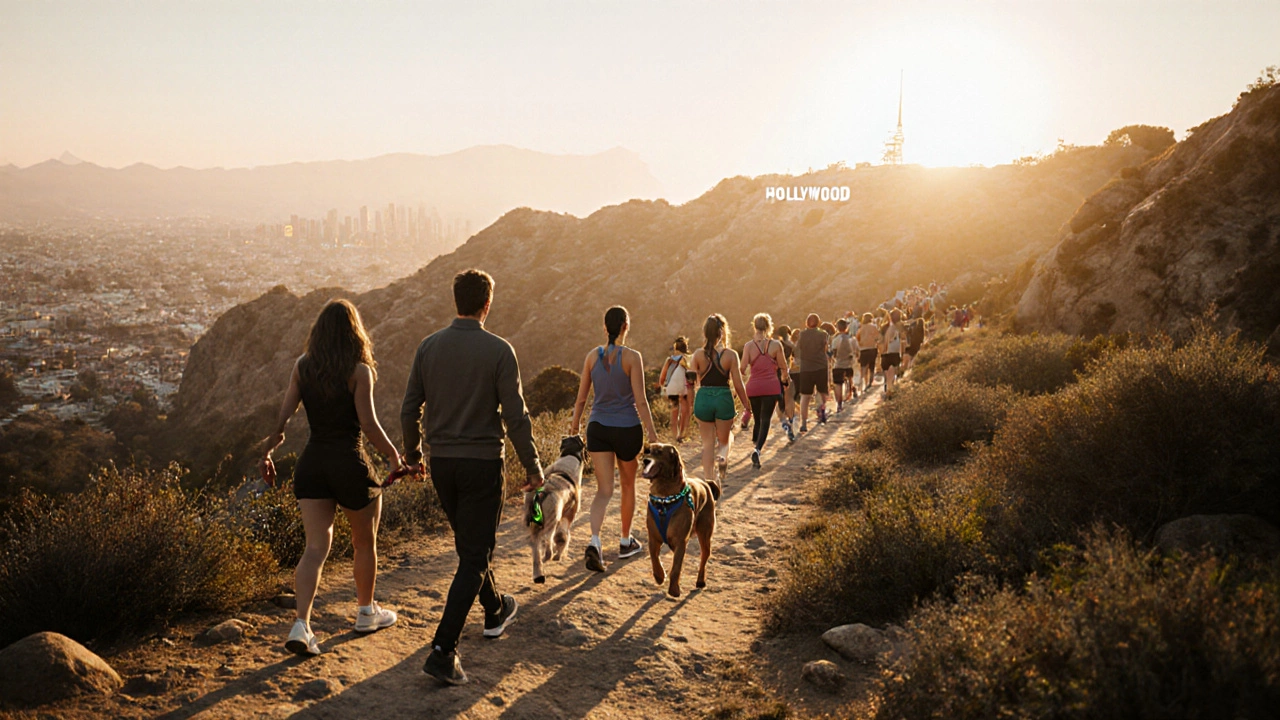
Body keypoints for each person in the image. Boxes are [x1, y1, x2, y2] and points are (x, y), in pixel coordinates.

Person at [401, 269, 543, 686]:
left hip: (442, 465)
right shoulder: (499, 350)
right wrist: (534, 467)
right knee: (476, 555)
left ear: (456, 300)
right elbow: (516, 417)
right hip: (482, 464)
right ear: (487, 304)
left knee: (471, 547)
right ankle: (443, 650)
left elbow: (409, 409)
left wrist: (413, 456)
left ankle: (496, 610)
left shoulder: (428, 347)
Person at [260, 299, 401, 658]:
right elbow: (368, 425)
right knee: (364, 543)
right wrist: (393, 456)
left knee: (314, 549)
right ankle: (366, 612)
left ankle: (301, 624)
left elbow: (283, 418)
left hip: (313, 465)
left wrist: (268, 452)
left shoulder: (302, 366)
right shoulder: (359, 371)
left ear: (319, 332)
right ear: (355, 332)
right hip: (350, 464)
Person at [570, 306, 660, 572]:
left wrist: (575, 427)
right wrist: (653, 435)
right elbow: (641, 401)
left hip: (597, 428)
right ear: (625, 326)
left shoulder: (591, 357)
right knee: (628, 485)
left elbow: (581, 399)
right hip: (627, 429)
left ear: (604, 326)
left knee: (604, 490)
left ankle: (594, 541)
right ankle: (625, 541)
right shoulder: (632, 357)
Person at [691, 314, 750, 482]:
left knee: (707, 445)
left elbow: (691, 382)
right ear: (722, 332)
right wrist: (747, 405)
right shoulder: (731, 355)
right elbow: (738, 384)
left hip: (703, 398)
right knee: (724, 440)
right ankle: (723, 458)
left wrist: (689, 404)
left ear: (705, 333)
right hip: (723, 398)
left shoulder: (697, 355)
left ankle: (709, 481)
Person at [741, 313, 789, 469]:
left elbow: (742, 368)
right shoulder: (776, 345)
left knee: (757, 418)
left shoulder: (748, 346)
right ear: (769, 327)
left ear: (754, 326)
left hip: (753, 387)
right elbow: (783, 367)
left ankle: (756, 441)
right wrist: (785, 379)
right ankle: (757, 449)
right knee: (765, 418)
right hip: (771, 387)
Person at [796, 314, 831, 433]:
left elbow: (798, 349)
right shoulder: (823, 334)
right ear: (818, 322)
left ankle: (804, 423)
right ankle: (821, 411)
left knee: (805, 396)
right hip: (821, 366)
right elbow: (825, 349)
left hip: (806, 368)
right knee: (821, 392)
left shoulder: (802, 334)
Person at [657, 337, 692, 442]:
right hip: (685, 388)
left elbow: (662, 376)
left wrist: (663, 385)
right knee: (684, 411)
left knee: (674, 412)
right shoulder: (688, 360)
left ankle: (675, 436)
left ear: (675, 348)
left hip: (672, 389)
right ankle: (681, 435)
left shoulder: (670, 360)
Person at [773, 325, 797, 442]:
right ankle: (791, 420)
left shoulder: (772, 346)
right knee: (789, 399)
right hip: (787, 375)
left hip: (774, 376)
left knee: (778, 402)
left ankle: (784, 422)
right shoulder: (790, 346)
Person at [829, 318, 857, 411]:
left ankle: (839, 404)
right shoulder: (851, 339)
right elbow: (856, 350)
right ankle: (851, 391)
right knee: (850, 378)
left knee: (838, 384)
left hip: (838, 364)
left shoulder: (835, 339)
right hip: (849, 363)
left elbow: (833, 352)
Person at [880, 308, 905, 397]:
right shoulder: (900, 327)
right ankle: (890, 391)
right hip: (894, 352)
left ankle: (888, 389)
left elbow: (881, 340)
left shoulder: (885, 327)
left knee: (887, 373)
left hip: (886, 353)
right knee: (893, 373)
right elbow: (903, 340)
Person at [856, 312, 881, 393]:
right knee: (871, 366)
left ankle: (862, 382)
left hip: (863, 349)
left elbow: (857, 338)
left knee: (863, 367)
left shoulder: (861, 328)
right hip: (872, 348)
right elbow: (878, 337)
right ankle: (870, 382)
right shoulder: (874, 327)